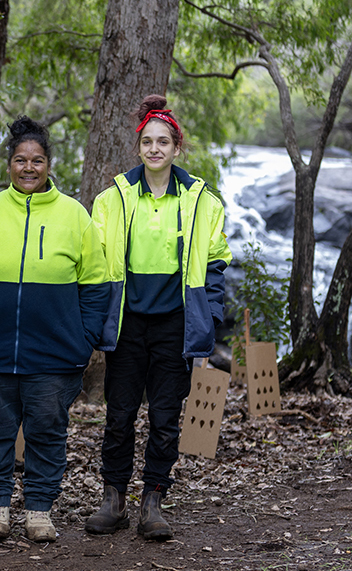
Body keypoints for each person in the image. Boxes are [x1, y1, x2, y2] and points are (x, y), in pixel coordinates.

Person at [0, 116, 110, 543]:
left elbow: (95, 284)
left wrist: (85, 338)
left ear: (49, 164)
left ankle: (39, 510)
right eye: (21, 160)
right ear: (9, 165)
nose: (29, 168)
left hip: (55, 355)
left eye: (37, 160)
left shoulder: (75, 216)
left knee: (47, 432)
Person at [85, 95, 232, 540]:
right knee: (120, 414)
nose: (154, 149)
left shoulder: (201, 200)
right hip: (128, 323)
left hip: (175, 325)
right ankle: (113, 497)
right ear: (139, 148)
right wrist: (93, 319)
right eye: (147, 141)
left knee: (167, 416)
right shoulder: (113, 199)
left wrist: (211, 320)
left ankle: (153, 500)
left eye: (163, 141)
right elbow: (94, 264)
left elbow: (216, 264)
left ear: (176, 148)